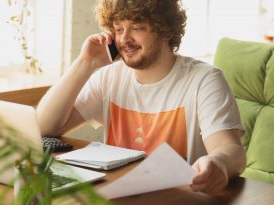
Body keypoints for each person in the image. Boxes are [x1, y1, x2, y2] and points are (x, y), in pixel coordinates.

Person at [36, 0, 246, 194]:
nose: (125, 39)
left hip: (180, 202)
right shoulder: (109, 77)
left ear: (165, 29)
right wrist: (85, 62)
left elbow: (231, 150)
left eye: (136, 27)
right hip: (121, 201)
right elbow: (46, 127)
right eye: (119, 29)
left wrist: (218, 164)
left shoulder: (204, 80)